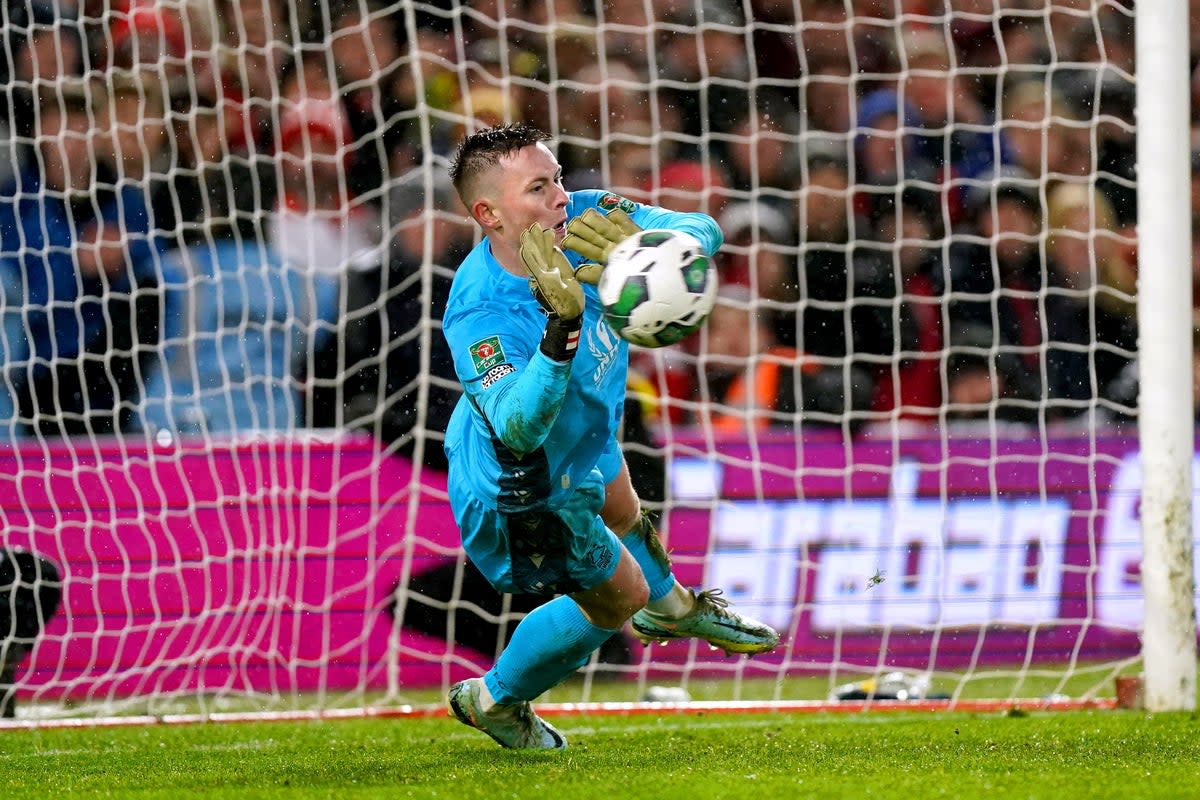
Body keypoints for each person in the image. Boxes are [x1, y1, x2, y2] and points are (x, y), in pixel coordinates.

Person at [440, 123, 779, 750]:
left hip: (585, 433)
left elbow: (705, 230)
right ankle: (494, 700)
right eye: (539, 189)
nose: (562, 197)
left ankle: (673, 608)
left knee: (623, 504)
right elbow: (518, 425)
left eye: (558, 178)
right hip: (520, 480)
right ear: (488, 214)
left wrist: (654, 242)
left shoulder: (589, 218)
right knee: (615, 598)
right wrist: (561, 327)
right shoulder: (480, 310)